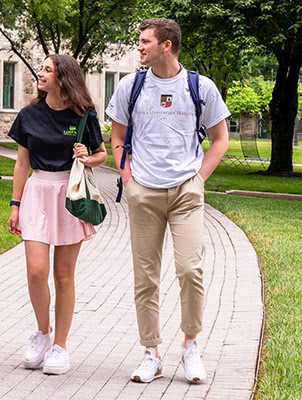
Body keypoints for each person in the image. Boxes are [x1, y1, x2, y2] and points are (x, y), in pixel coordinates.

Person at [106, 18, 229, 384]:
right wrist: (127, 177)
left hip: (185, 193)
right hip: (144, 191)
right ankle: (151, 353)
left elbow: (220, 138)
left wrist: (198, 179)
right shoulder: (131, 85)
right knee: (145, 277)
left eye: (145, 42)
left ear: (166, 45)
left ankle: (191, 345)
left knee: (190, 270)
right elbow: (116, 136)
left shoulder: (199, 87)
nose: (139, 47)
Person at [7, 54, 107, 375]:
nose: (41, 73)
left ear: (63, 77)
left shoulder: (84, 116)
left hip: (69, 195)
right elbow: (22, 164)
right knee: (36, 271)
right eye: (42, 68)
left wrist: (87, 157)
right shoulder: (29, 115)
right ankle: (43, 332)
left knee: (63, 276)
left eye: (47, 69)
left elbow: (102, 154)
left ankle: (60, 346)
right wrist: (15, 204)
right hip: (38, 191)